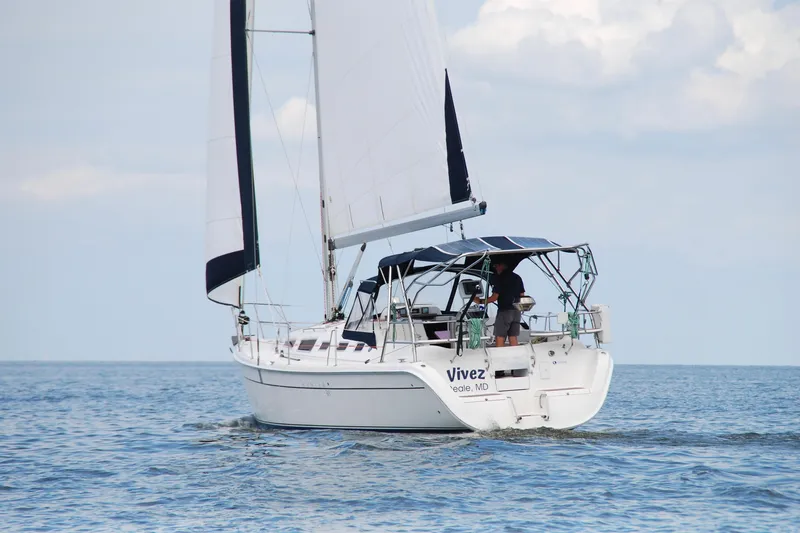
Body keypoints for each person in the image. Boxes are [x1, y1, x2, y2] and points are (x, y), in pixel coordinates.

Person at [473, 261, 525, 347]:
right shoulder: (517, 277)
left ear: (502, 266)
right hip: (517, 311)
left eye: (496, 265)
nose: (495, 268)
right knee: (513, 336)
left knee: (500, 336)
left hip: (505, 311)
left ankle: (499, 354)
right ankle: (516, 353)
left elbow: (494, 297)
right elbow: (522, 295)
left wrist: (480, 301)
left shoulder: (498, 278)